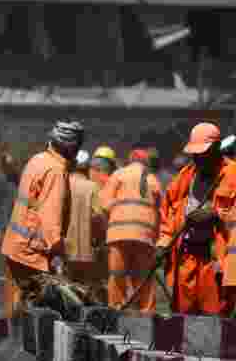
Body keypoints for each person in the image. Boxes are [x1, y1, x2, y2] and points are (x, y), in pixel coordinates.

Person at [0, 121, 82, 320]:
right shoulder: (55, 170)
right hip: (32, 252)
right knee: (37, 310)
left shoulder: (37, 160)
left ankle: (7, 345)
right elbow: (50, 215)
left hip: (15, 245)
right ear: (69, 147)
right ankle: (20, 346)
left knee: (14, 305)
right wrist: (57, 250)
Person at [162, 124, 236, 315]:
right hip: (185, 258)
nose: (196, 158)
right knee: (183, 317)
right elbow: (169, 211)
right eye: (194, 153)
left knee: (214, 319)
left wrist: (215, 214)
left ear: (216, 149)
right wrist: (163, 243)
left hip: (214, 261)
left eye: (201, 153)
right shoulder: (186, 175)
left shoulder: (232, 174)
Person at [101, 149, 162, 313]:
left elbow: (104, 204)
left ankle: (116, 310)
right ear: (146, 163)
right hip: (145, 236)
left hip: (119, 233)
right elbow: (159, 212)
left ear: (130, 160)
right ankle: (146, 313)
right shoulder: (153, 180)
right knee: (143, 278)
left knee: (117, 275)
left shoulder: (118, 175)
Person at [63, 149, 108, 303]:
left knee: (68, 291)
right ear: (87, 168)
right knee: (87, 293)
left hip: (65, 250)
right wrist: (101, 242)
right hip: (87, 251)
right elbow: (97, 217)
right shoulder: (92, 187)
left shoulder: (63, 184)